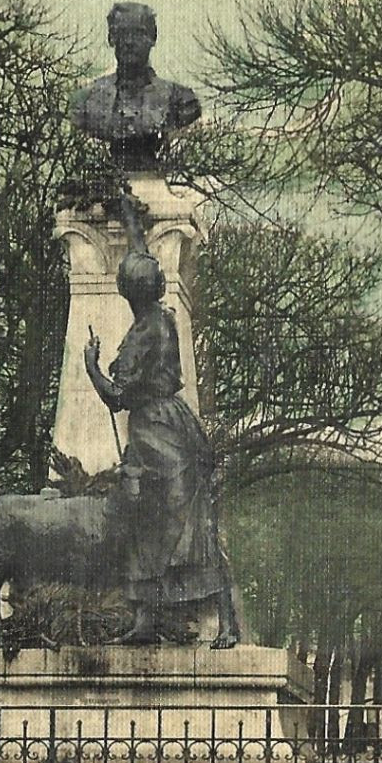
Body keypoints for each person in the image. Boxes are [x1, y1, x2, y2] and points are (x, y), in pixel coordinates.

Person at [83, 235, 238, 648]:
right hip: (164, 427)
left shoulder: (147, 329)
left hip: (157, 433)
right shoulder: (160, 320)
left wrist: (92, 367)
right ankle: (147, 620)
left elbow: (117, 397)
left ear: (125, 291)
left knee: (182, 528)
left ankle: (225, 623)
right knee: (152, 527)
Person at [68, 2, 202, 170]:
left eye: (138, 34)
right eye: (122, 33)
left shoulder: (180, 99)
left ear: (153, 38)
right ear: (111, 38)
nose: (129, 42)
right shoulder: (86, 99)